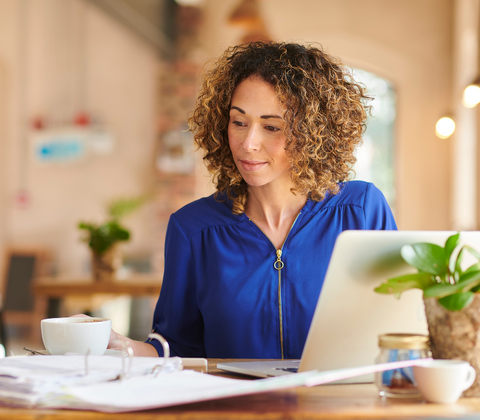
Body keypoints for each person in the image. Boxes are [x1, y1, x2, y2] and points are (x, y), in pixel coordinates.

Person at [108, 42, 397, 359]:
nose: (249, 143)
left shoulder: (361, 211)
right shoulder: (192, 228)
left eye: (272, 127)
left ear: (312, 132)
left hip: (339, 406)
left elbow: (398, 332)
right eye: (239, 122)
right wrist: (119, 346)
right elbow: (177, 348)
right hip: (237, 408)